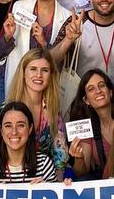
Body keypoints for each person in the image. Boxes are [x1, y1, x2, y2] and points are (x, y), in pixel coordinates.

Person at [8, 49, 69, 177]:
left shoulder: (53, 110)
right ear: (23, 73)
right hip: (14, 175)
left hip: (46, 174)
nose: (39, 75)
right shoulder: (7, 109)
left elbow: (59, 151)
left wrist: (57, 178)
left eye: (45, 70)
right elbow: (3, 150)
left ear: (51, 75)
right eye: (33, 69)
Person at [65, 68, 114, 179]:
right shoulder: (86, 127)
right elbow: (81, 173)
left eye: (102, 85)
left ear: (110, 92)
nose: (98, 91)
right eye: (91, 89)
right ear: (86, 100)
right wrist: (79, 158)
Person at [0, 101, 58, 183]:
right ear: (1, 130)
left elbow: (59, 194)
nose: (14, 132)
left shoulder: (44, 164)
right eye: (8, 126)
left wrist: (66, 186)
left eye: (20, 125)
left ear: (30, 129)